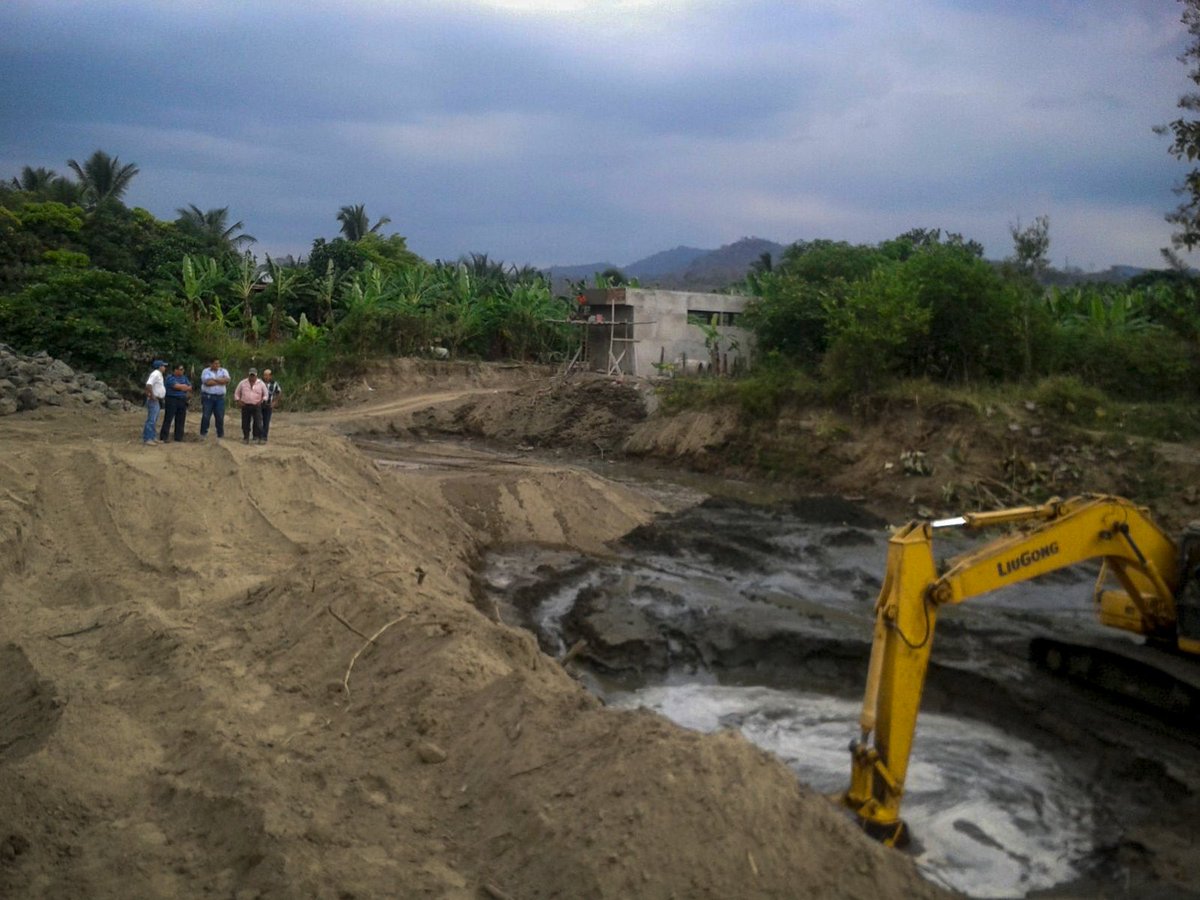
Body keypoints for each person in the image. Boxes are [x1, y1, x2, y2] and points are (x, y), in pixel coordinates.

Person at [159, 363, 193, 443]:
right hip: (172, 399)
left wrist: (184, 387)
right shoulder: (170, 378)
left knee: (181, 419)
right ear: (175, 370)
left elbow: (190, 387)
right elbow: (176, 386)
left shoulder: (184, 378)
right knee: (168, 418)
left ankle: (179, 437)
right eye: (181, 369)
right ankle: (164, 436)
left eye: (183, 369)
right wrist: (184, 387)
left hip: (182, 399)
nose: (182, 371)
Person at [233, 367, 268, 444]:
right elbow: (236, 393)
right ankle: (246, 437)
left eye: (253, 375)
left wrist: (262, 401)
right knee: (245, 422)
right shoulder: (242, 383)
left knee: (258, 422)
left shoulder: (261, 384)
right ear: (248, 375)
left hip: (256, 405)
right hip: (245, 405)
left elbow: (266, 394)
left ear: (256, 375)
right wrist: (238, 401)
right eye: (251, 375)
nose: (252, 377)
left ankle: (257, 437)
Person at [199, 357, 231, 440]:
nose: (217, 365)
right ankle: (203, 433)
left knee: (220, 416)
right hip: (208, 397)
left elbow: (227, 380)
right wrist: (221, 381)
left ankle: (220, 434)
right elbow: (207, 382)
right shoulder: (205, 371)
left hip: (220, 398)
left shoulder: (224, 371)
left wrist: (214, 379)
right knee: (206, 416)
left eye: (218, 363)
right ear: (211, 364)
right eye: (215, 363)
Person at [142, 359, 167, 445]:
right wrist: (151, 395)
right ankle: (148, 438)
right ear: (159, 367)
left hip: (157, 399)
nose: (164, 367)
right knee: (151, 419)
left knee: (154, 419)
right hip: (154, 399)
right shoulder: (155, 374)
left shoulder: (158, 374)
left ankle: (152, 437)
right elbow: (149, 384)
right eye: (163, 366)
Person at [260, 368, 282, 443]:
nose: (265, 376)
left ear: (270, 376)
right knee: (258, 421)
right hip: (259, 404)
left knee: (266, 421)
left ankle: (264, 437)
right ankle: (257, 435)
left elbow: (279, 392)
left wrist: (275, 402)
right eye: (264, 375)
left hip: (268, 405)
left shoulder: (274, 383)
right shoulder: (259, 382)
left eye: (267, 375)